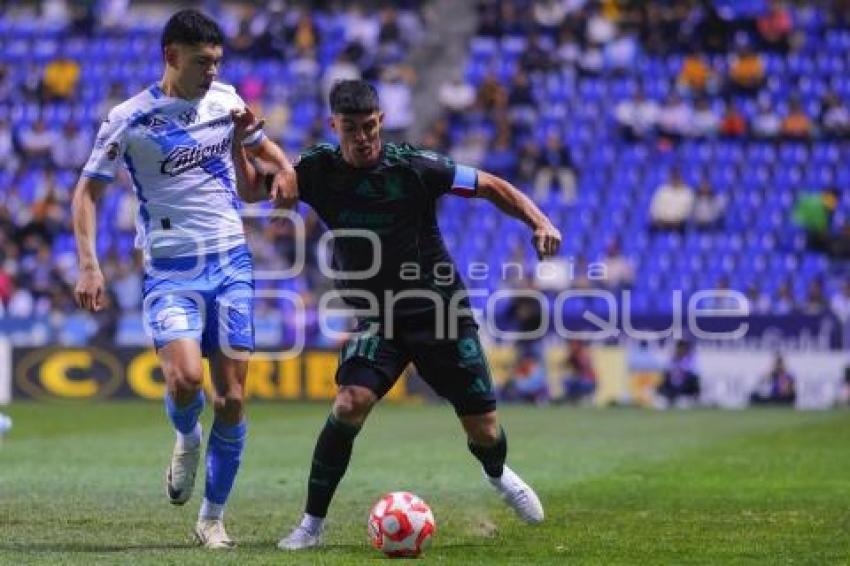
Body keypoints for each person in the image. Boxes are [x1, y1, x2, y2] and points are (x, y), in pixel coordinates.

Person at [236, 80, 560, 550]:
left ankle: (498, 473)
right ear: (334, 125)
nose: (363, 137)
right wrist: (240, 141)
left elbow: (489, 185)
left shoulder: (416, 167)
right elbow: (252, 191)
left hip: (440, 312)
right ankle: (310, 524)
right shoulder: (316, 170)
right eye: (352, 128)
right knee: (349, 403)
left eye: (370, 126)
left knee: (485, 430)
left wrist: (540, 221)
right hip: (378, 318)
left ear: (381, 121)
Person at [71, 9, 296, 549]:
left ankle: (212, 519)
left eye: (217, 61)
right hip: (171, 271)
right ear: (172, 56)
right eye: (202, 62)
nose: (212, 71)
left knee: (233, 399)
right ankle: (186, 435)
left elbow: (260, 168)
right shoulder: (129, 118)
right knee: (186, 380)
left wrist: (284, 170)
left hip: (231, 262)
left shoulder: (227, 101)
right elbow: (86, 193)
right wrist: (89, 264)